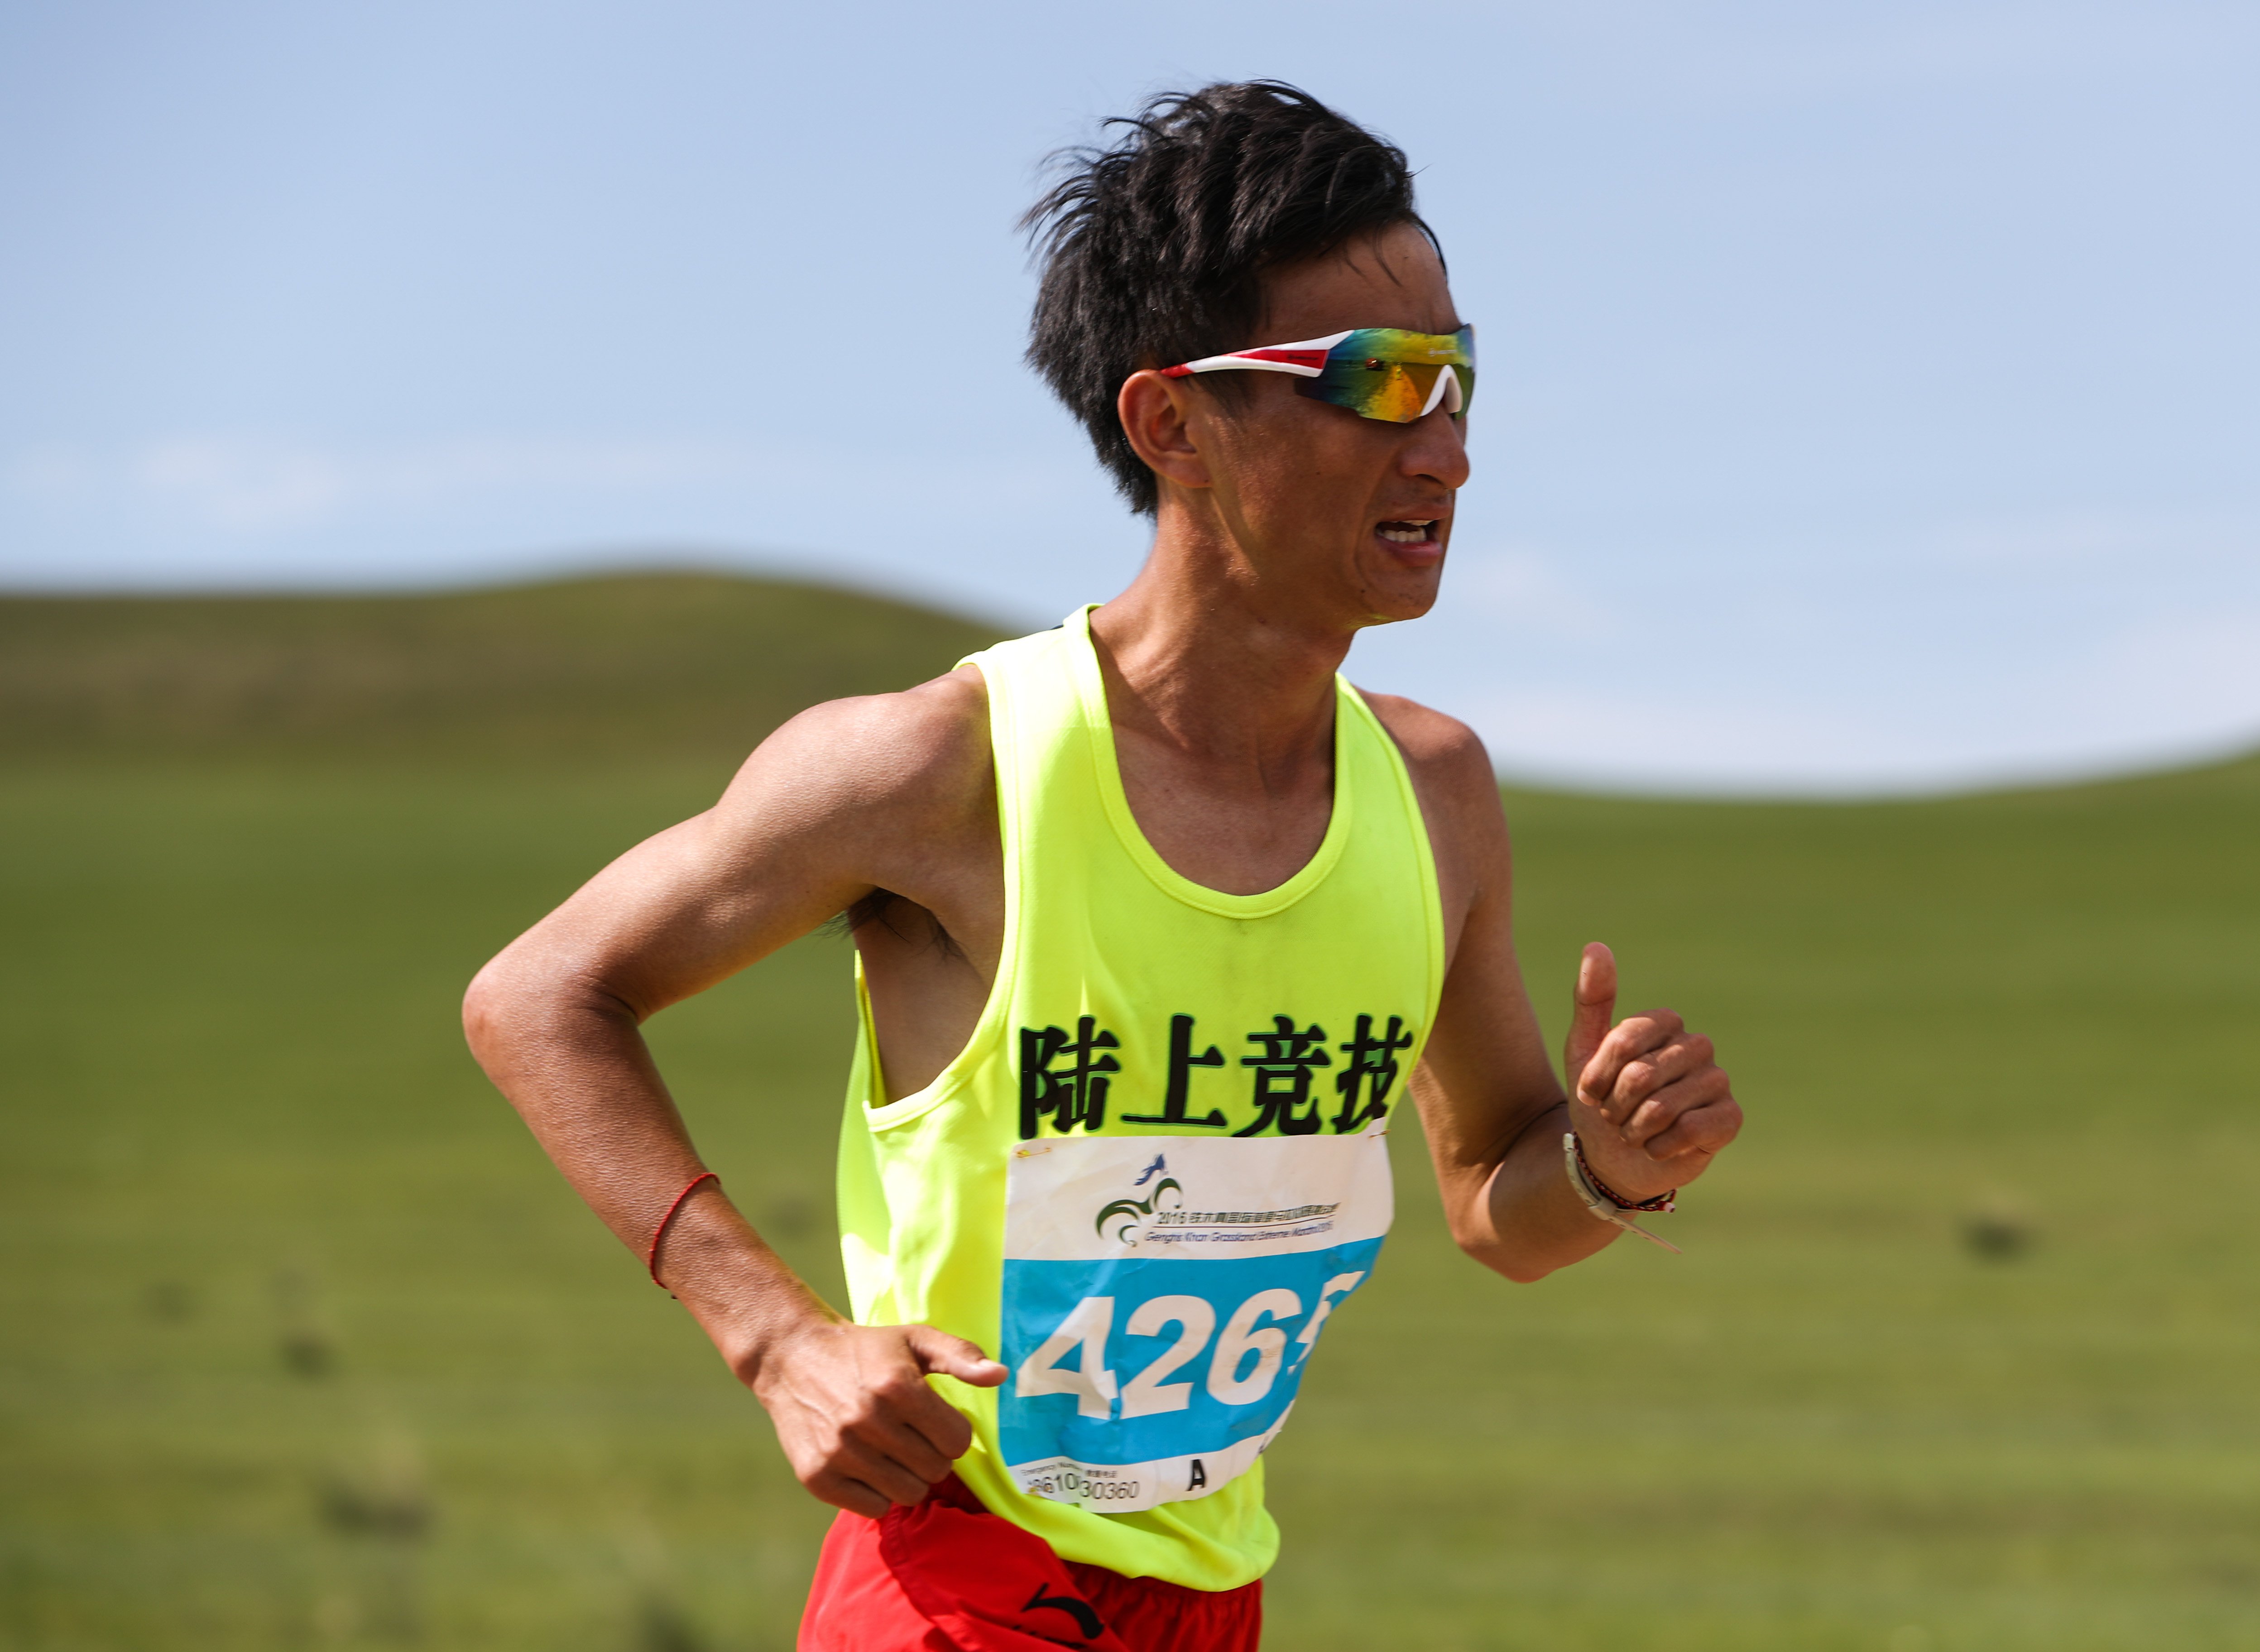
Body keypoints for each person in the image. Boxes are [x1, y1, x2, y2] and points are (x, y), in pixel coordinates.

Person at [462, 80, 1742, 1652]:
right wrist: (777, 1338)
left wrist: (1613, 1163)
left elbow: (1496, 1204)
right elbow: (538, 996)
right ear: (1172, 424)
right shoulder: (941, 768)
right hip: (955, 1577)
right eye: (1379, 380)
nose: (1449, 451)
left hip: (1214, 1589)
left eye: (1456, 377)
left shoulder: (1435, 792)